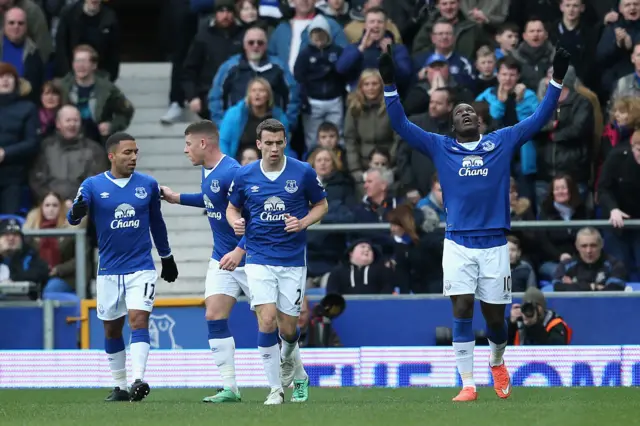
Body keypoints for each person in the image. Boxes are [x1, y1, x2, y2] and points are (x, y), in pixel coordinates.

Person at [378, 44, 571, 401]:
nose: (467, 114)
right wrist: (389, 83)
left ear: (479, 122)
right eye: (460, 112)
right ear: (452, 125)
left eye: (471, 112)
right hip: (457, 243)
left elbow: (540, 117)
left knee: (495, 320)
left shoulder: (501, 140)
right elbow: (400, 124)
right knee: (462, 308)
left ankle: (497, 361)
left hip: (494, 244)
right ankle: (468, 383)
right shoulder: (440, 147)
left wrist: (556, 78)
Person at [66, 132, 179, 402]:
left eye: (136, 152)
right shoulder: (92, 185)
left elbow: (157, 223)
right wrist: (78, 212)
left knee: (139, 320)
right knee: (111, 330)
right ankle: (120, 386)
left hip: (141, 267)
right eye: (127, 152)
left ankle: (138, 380)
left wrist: (167, 257)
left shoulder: (148, 185)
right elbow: (72, 218)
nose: (133, 157)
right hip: (109, 270)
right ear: (112, 156)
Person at [226, 118, 328, 405]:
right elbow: (232, 208)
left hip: (292, 261)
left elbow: (321, 204)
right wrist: (236, 223)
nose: (273, 148)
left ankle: (296, 368)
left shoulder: (303, 172)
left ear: (285, 142)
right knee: (267, 320)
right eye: (268, 143)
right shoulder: (246, 175)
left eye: (278, 142)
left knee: (288, 329)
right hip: (258, 258)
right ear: (258, 144)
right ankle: (275, 389)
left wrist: (304, 221)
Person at [159, 120, 249, 403]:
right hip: (220, 256)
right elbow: (211, 198)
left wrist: (240, 251)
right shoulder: (207, 170)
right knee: (213, 316)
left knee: (275, 323)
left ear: (203, 143)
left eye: (187, 144)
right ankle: (230, 387)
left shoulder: (232, 172)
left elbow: (256, 217)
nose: (185, 150)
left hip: (252, 258)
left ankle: (292, 378)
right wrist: (177, 198)